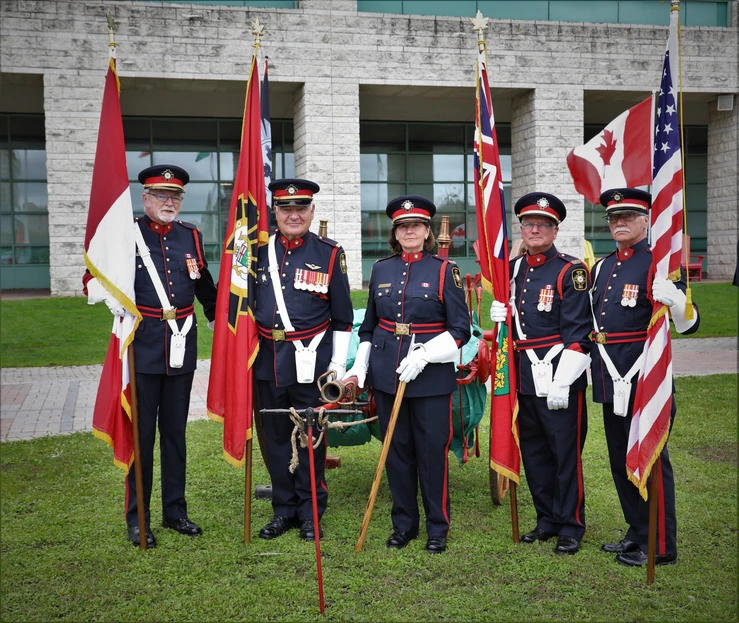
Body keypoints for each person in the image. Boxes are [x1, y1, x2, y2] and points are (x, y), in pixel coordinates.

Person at [85, 164, 218, 548]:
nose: (169, 202)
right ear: (145, 198)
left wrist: (221, 321)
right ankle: (138, 518)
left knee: (175, 434)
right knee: (141, 437)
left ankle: (175, 511)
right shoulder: (127, 235)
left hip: (181, 345)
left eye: (175, 196)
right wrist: (106, 296)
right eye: (161, 195)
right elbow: (92, 276)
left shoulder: (190, 235)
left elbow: (203, 284)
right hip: (141, 348)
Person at [344, 195, 470, 554]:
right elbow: (369, 327)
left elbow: (460, 330)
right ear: (395, 233)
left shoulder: (445, 270)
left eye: (416, 225)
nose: (409, 231)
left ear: (427, 231)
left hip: (430, 378)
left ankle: (437, 527)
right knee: (396, 451)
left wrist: (426, 354)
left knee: (431, 453)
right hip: (387, 374)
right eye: (403, 226)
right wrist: (360, 366)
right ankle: (404, 525)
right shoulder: (381, 269)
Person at [591, 188, 699, 567]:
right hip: (610, 377)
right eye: (613, 217)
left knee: (650, 459)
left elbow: (690, 325)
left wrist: (677, 300)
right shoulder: (602, 267)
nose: (619, 223)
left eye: (628, 216)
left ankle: (661, 544)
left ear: (645, 221)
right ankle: (637, 531)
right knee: (621, 461)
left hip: (645, 379)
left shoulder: (661, 262)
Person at [490, 192, 592, 555]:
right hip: (524, 378)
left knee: (565, 455)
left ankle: (571, 525)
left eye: (543, 225)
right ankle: (546, 519)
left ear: (555, 230)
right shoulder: (513, 269)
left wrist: (564, 380)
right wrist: (499, 316)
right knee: (533, 452)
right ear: (521, 228)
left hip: (560, 375)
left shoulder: (570, 270)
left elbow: (579, 334)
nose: (535, 230)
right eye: (529, 224)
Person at [254, 178, 353, 542]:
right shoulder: (257, 253)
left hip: (312, 362)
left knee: (310, 440)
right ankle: (283, 510)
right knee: (277, 438)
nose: (293, 215)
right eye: (285, 209)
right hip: (268, 359)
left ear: (312, 212)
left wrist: (337, 366)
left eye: (300, 208)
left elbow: (343, 318)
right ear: (275, 212)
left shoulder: (329, 253)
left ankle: (311, 513)